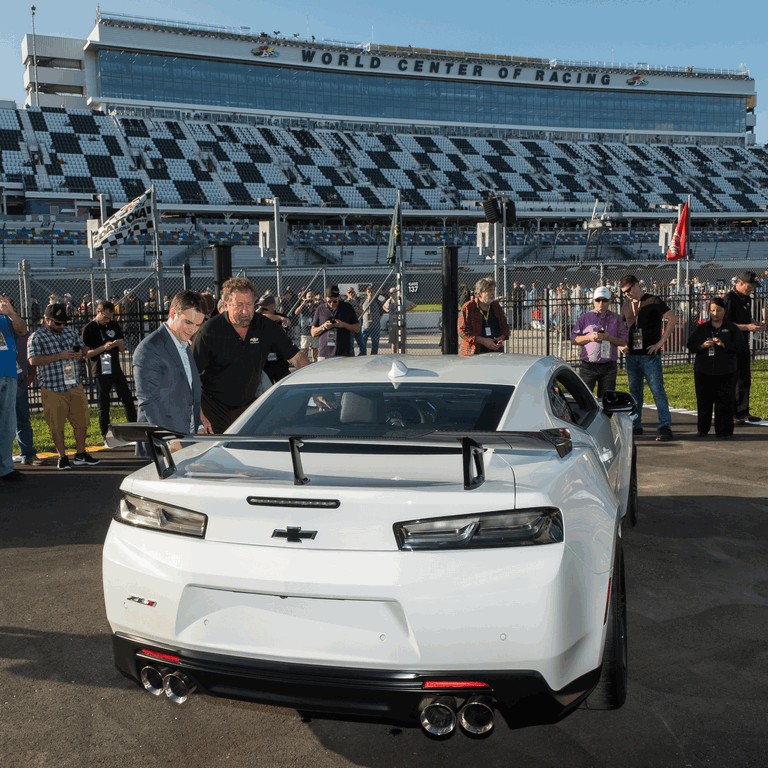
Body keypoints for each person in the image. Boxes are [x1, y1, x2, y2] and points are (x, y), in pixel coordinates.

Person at [192, 277, 308, 433]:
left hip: (246, 404)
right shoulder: (210, 331)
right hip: (213, 406)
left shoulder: (265, 327)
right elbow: (190, 374)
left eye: (249, 305)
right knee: (221, 449)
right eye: (239, 305)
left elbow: (298, 358)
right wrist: (199, 414)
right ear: (226, 305)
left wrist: (315, 389)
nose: (245, 311)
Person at [133, 291, 212, 451]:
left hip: (186, 436)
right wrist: (170, 440)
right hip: (166, 442)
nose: (193, 330)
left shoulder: (183, 343)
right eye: (188, 322)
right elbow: (148, 401)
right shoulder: (149, 348)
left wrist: (200, 418)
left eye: (198, 325)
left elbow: (189, 386)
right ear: (173, 313)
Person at [27, 303, 100, 470]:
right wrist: (59, 356)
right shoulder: (37, 337)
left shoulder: (70, 332)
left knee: (81, 421)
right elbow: (33, 360)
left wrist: (80, 353)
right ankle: (62, 456)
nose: (61, 326)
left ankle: (81, 454)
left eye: (63, 323)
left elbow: (83, 349)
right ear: (46, 320)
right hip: (52, 387)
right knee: (56, 424)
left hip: (74, 384)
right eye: (57, 323)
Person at [618, 274, 677, 441]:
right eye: (624, 292)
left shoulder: (653, 301)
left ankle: (664, 426)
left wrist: (660, 343)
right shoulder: (626, 305)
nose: (627, 294)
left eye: (629, 290)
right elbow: (620, 325)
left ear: (638, 285)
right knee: (634, 392)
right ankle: (636, 425)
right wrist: (621, 344)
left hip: (650, 355)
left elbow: (672, 318)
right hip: (632, 356)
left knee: (657, 390)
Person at [81, 300, 138, 446]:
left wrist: (119, 344)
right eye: (105, 317)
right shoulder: (89, 328)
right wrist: (103, 348)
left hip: (115, 367)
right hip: (100, 369)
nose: (108, 320)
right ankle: (105, 435)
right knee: (104, 403)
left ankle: (134, 432)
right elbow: (86, 354)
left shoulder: (114, 325)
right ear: (98, 312)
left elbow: (122, 348)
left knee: (128, 399)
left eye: (110, 317)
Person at [686, 297, 743, 439]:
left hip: (726, 371)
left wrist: (724, 344)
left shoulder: (731, 328)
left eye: (718, 310)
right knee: (704, 401)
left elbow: (740, 347)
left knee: (724, 402)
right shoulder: (702, 328)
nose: (715, 313)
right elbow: (691, 345)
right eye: (712, 310)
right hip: (703, 371)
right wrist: (702, 346)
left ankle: (724, 431)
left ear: (725, 311)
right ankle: (703, 429)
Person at [570, 286, 628, 397]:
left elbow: (624, 341)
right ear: (593, 301)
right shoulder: (585, 318)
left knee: (606, 400)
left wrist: (609, 338)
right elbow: (574, 339)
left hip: (608, 367)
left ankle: (605, 415)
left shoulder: (616, 318)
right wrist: (589, 337)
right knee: (583, 399)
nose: (601, 303)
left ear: (609, 301)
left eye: (604, 300)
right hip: (588, 366)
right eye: (598, 300)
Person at [723, 271, 765, 423]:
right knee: (733, 378)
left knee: (745, 378)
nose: (751, 289)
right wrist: (747, 327)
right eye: (749, 286)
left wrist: (756, 323)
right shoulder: (729, 299)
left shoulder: (746, 298)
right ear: (740, 283)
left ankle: (743, 411)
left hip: (743, 342)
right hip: (731, 344)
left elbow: (746, 318)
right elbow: (725, 323)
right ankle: (732, 412)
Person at [0, 294, 27, 482]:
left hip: (8, 374)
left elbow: (22, 330)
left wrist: (11, 313)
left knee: (7, 424)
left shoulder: (6, 318)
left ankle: (5, 468)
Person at [458, 277, 509, 356]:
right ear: (480, 292)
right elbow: (462, 331)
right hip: (473, 354)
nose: (493, 293)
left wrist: (501, 337)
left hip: (494, 353)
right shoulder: (468, 307)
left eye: (493, 290)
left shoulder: (496, 306)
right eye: (489, 290)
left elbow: (505, 327)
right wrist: (483, 341)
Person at [311, 285, 361, 360]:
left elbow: (357, 328)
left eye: (335, 301)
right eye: (329, 302)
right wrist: (323, 326)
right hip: (324, 353)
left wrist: (343, 325)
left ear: (339, 297)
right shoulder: (320, 309)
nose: (332, 304)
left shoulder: (347, 307)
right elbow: (313, 332)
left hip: (343, 353)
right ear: (325, 299)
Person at [382, 287, 417, 353]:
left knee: (401, 342)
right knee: (393, 343)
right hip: (392, 323)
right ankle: (394, 355)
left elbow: (413, 305)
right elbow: (383, 306)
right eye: (390, 293)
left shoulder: (401, 300)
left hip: (400, 323)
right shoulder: (389, 301)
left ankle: (402, 355)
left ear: (396, 293)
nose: (391, 294)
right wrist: (388, 311)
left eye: (393, 293)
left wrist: (404, 310)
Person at [294, 289, 319, 362]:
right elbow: (296, 312)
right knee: (305, 349)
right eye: (309, 296)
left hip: (314, 330)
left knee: (315, 348)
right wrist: (303, 304)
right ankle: (305, 362)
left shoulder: (316, 306)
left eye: (311, 296)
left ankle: (315, 361)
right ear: (306, 297)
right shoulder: (303, 306)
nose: (310, 298)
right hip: (305, 331)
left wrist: (315, 303)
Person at [360, 285, 384, 355]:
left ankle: (373, 355)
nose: (370, 293)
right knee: (363, 341)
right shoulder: (363, 301)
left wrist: (377, 318)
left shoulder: (377, 301)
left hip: (375, 326)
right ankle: (363, 354)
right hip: (365, 325)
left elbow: (381, 311)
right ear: (366, 292)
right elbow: (360, 311)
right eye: (369, 291)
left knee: (375, 342)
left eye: (372, 291)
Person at [345, 286, 366, 355]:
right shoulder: (345, 303)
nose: (351, 293)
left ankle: (361, 357)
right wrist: (354, 311)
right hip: (350, 327)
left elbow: (362, 312)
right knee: (351, 346)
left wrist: (357, 310)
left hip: (358, 326)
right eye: (349, 292)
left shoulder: (357, 302)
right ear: (347, 293)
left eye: (352, 292)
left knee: (362, 346)